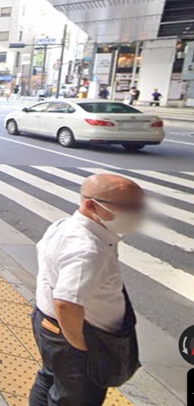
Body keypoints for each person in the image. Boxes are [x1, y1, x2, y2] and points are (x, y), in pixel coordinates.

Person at [29, 174, 144, 406]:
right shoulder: (88, 250)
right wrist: (82, 349)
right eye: (128, 207)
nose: (136, 213)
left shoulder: (64, 225)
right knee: (76, 398)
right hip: (77, 335)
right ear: (91, 205)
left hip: (47, 322)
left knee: (50, 378)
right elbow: (66, 303)